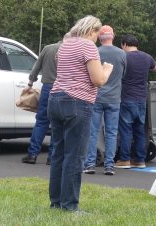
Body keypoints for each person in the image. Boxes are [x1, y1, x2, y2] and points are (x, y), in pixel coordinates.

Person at [48, 15, 113, 212]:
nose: (96, 38)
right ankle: (70, 206)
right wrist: (107, 69)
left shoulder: (65, 44)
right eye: (96, 34)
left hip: (56, 98)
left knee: (58, 153)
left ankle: (56, 203)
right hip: (77, 102)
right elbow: (98, 80)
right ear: (92, 31)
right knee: (75, 156)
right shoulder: (87, 46)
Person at [84, 25, 127, 176]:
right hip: (114, 98)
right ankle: (109, 165)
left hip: (96, 97)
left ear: (99, 38)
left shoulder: (95, 52)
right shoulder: (122, 53)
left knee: (92, 132)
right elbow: (123, 74)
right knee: (111, 132)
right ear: (113, 37)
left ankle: (90, 164)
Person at [115, 34, 156, 169]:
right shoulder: (147, 57)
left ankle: (125, 159)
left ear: (124, 44)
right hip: (141, 99)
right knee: (140, 130)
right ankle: (140, 160)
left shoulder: (123, 57)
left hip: (126, 98)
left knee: (125, 131)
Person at [21, 42, 60, 165]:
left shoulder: (47, 48)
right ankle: (52, 157)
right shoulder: (70, 50)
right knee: (57, 123)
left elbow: (36, 67)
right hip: (61, 88)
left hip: (47, 87)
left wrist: (30, 83)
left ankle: (32, 154)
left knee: (41, 121)